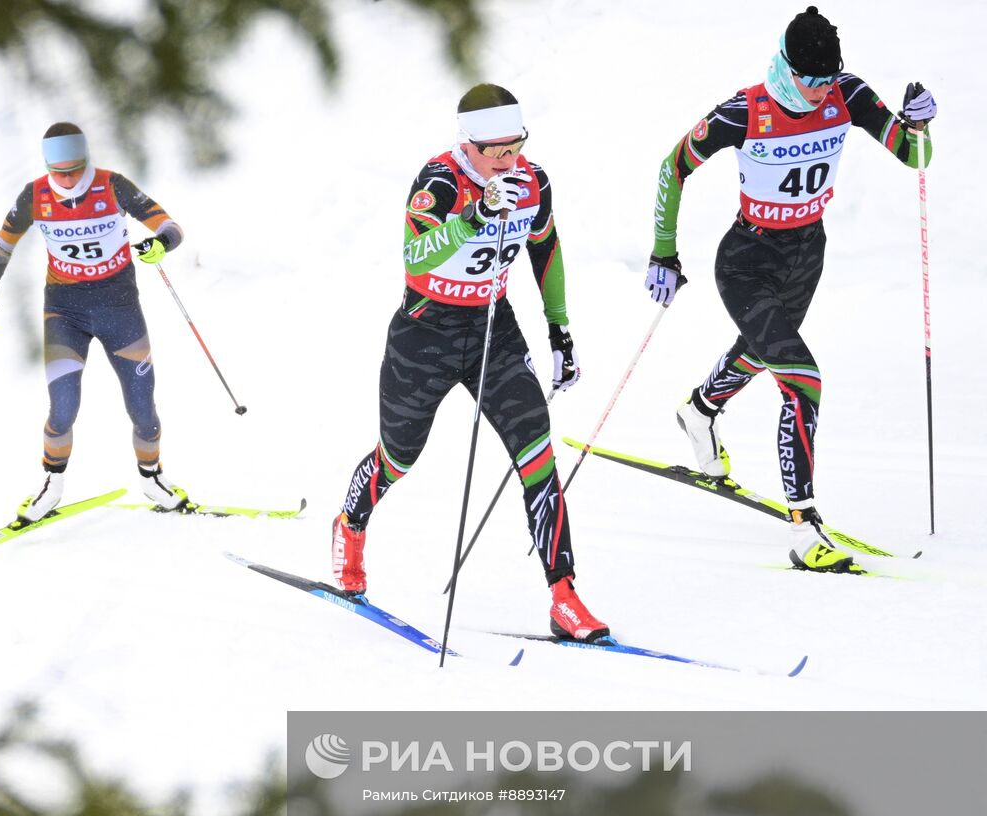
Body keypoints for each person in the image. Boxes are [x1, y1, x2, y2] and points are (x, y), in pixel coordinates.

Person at [644, 6, 936, 573]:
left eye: (830, 78)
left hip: (807, 255)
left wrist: (920, 124)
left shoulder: (847, 95)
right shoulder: (746, 110)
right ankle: (803, 525)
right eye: (812, 79)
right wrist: (663, 251)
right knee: (803, 378)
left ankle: (701, 409)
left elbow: (913, 157)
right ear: (786, 67)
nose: (823, 89)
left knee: (762, 350)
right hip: (747, 260)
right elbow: (671, 167)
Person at [332, 83, 609, 644]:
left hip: (492, 328)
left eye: (516, 146)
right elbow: (415, 259)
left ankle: (564, 594)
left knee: (537, 451)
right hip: (425, 330)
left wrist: (560, 329)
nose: (509, 160)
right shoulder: (438, 182)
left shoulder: (534, 181)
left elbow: (546, 249)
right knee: (399, 458)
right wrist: (476, 214)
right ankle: (350, 525)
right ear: (468, 145)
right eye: (495, 152)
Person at [0, 122, 190, 521]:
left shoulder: (112, 185)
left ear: (86, 160)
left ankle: (152, 479)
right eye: (60, 172)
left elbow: (171, 227)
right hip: (64, 311)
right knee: (63, 406)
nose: (68, 179)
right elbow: (3, 243)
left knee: (142, 407)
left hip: (119, 308)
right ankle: (51, 487)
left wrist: (159, 243)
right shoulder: (35, 195)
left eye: (75, 169)